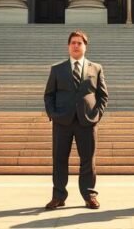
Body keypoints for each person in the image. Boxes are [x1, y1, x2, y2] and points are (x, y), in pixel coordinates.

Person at [43, 31, 109, 210]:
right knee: (59, 159)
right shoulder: (57, 69)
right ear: (68, 46)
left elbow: (102, 95)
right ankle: (58, 196)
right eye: (73, 43)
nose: (76, 46)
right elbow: (49, 95)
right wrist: (53, 114)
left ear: (85, 46)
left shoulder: (96, 68)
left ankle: (89, 195)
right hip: (62, 121)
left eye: (79, 43)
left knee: (88, 160)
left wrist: (96, 115)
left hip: (87, 121)